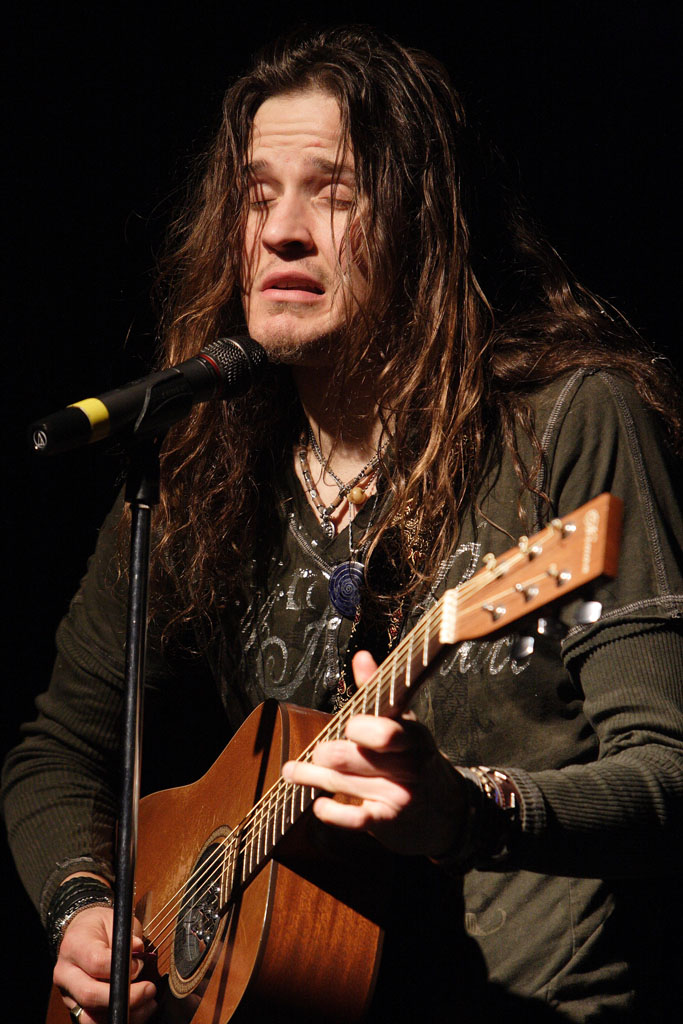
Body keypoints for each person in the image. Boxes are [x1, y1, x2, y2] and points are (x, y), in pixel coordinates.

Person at [3, 25, 682, 1024]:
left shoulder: (563, 424)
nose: (280, 231)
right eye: (255, 195)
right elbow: (56, 749)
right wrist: (82, 906)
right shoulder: (199, 464)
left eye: (331, 192)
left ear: (420, 224)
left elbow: (668, 770)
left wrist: (472, 811)